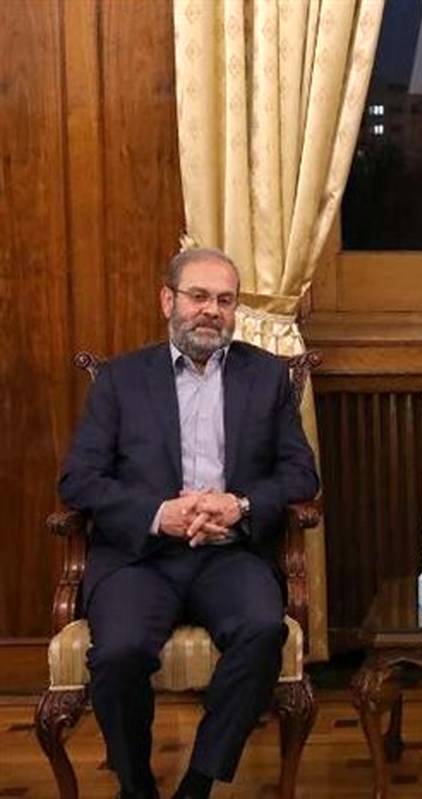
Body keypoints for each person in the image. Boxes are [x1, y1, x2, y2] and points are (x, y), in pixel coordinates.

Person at [59, 248, 319, 799]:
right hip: (140, 559)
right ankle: (136, 788)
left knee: (262, 629)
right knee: (119, 652)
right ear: (167, 301)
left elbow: (301, 473)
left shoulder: (265, 377)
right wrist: (161, 515)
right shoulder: (121, 380)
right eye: (198, 296)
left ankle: (198, 783)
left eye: (225, 300)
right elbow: (78, 480)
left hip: (229, 553)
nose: (211, 311)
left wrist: (238, 505)